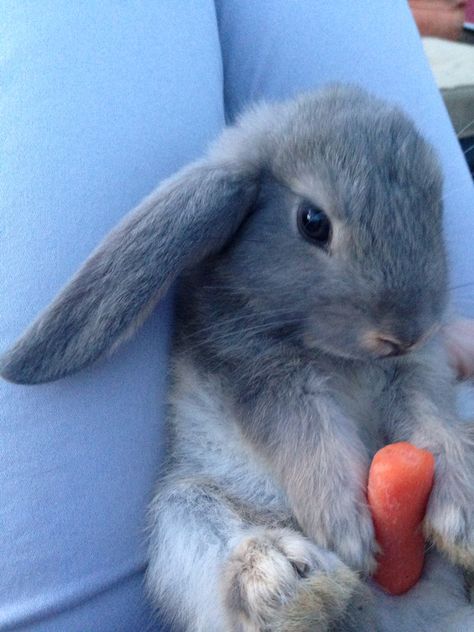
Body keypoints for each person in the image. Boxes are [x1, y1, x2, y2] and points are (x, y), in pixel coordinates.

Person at [1, 2, 473, 630]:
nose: (400, 329)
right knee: (185, 513)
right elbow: (259, 377)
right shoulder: (244, 279)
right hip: (254, 520)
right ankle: (250, 581)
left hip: (423, 584)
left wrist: (437, 437)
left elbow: (421, 376)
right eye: (315, 225)